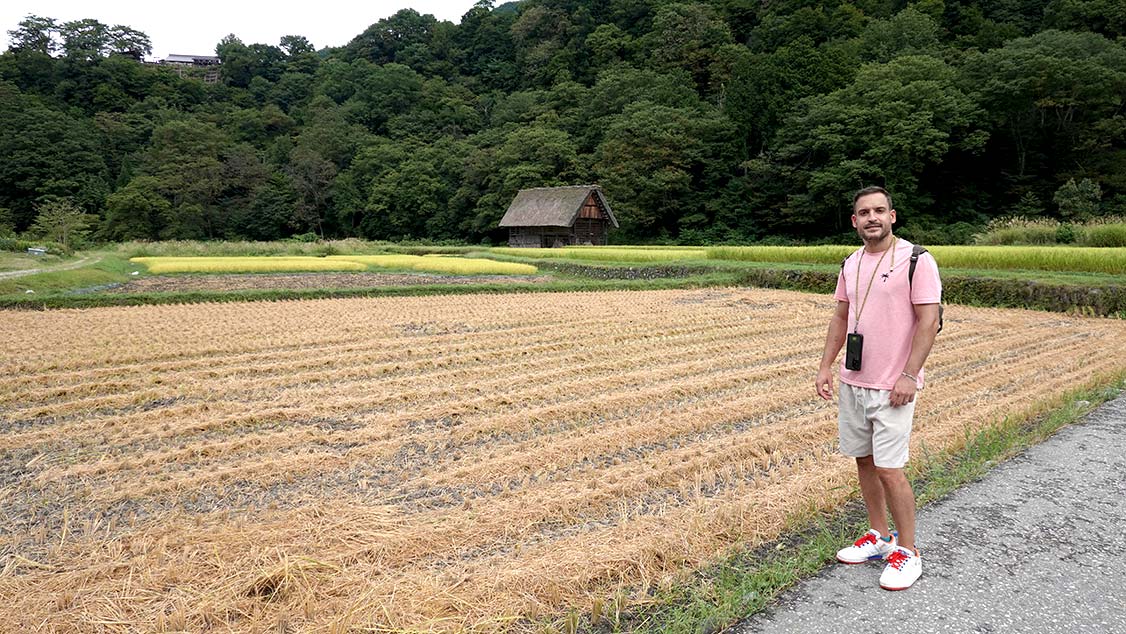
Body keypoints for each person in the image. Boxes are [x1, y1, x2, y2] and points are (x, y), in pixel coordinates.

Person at [814, 185, 941, 591]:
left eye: (879, 211)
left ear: (892, 216)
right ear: (854, 221)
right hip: (854, 381)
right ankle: (878, 536)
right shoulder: (850, 262)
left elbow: (928, 321)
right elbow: (840, 317)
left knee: (890, 468)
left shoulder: (916, 260)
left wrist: (909, 374)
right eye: (864, 212)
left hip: (893, 385)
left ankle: (908, 551)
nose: (872, 218)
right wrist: (825, 366)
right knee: (864, 460)